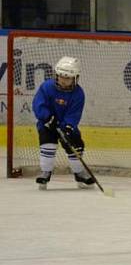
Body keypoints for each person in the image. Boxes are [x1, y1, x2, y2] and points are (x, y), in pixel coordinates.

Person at [32, 56, 95, 190]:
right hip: (47, 124)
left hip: (66, 126)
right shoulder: (46, 87)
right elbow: (39, 104)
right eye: (61, 76)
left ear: (75, 78)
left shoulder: (79, 93)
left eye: (67, 78)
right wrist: (47, 118)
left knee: (76, 145)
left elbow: (74, 114)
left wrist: (67, 126)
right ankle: (45, 172)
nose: (63, 80)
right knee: (48, 144)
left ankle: (79, 174)